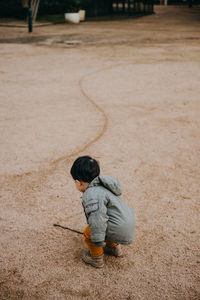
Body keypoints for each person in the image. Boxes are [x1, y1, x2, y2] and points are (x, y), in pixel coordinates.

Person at [70, 156, 135, 268]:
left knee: (88, 232)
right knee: (109, 223)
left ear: (78, 182)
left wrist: (98, 240)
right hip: (126, 224)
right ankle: (114, 248)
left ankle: (97, 258)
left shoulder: (91, 195)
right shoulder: (102, 185)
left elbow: (97, 220)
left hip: (117, 227)